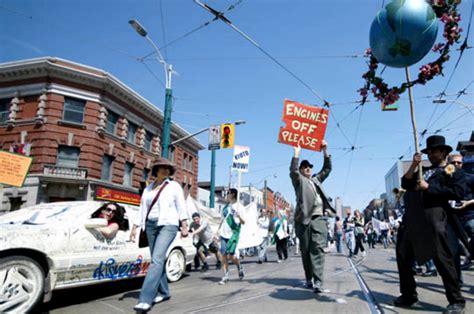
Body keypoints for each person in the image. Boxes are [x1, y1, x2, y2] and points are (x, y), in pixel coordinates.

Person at [394, 135, 466, 313]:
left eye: (435, 151)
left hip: (434, 218)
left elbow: (457, 192)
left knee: (442, 258)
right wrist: (413, 164)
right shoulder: (421, 169)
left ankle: (456, 300)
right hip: (412, 218)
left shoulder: (450, 169)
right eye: (430, 152)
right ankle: (409, 295)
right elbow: (405, 183)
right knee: (403, 255)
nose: (432, 155)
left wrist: (429, 188)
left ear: (443, 152)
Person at [130, 158, 189, 312]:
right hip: (150, 225)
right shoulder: (148, 189)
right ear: (155, 170)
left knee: (156, 260)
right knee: (158, 260)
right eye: (162, 168)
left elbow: (181, 206)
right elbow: (142, 208)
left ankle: (145, 298)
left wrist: (184, 225)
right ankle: (164, 292)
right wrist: (135, 226)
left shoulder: (174, 186)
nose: (165, 170)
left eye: (168, 168)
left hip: (168, 225)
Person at [290, 140, 335, 293]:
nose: (308, 168)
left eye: (309, 166)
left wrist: (325, 151)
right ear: (302, 170)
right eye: (305, 167)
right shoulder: (299, 181)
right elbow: (293, 171)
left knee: (317, 249)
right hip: (303, 220)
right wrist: (296, 153)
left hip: (318, 219)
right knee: (306, 250)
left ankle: (318, 281)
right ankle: (309, 277)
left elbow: (327, 169)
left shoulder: (316, 180)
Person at [215, 188, 245, 285]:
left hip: (233, 234)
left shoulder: (240, 207)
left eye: (228, 193)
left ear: (233, 194)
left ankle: (239, 266)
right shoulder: (226, 207)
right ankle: (225, 276)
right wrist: (217, 231)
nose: (226, 195)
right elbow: (222, 219)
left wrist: (239, 216)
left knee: (231, 256)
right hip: (223, 233)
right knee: (223, 255)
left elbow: (243, 222)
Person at [449, 154, 474, 268]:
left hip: (470, 215)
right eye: (453, 162)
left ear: (462, 164)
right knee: (454, 245)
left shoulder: (470, 178)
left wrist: (468, 203)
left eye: (459, 162)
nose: (456, 164)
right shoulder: (445, 179)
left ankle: (470, 256)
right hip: (453, 218)